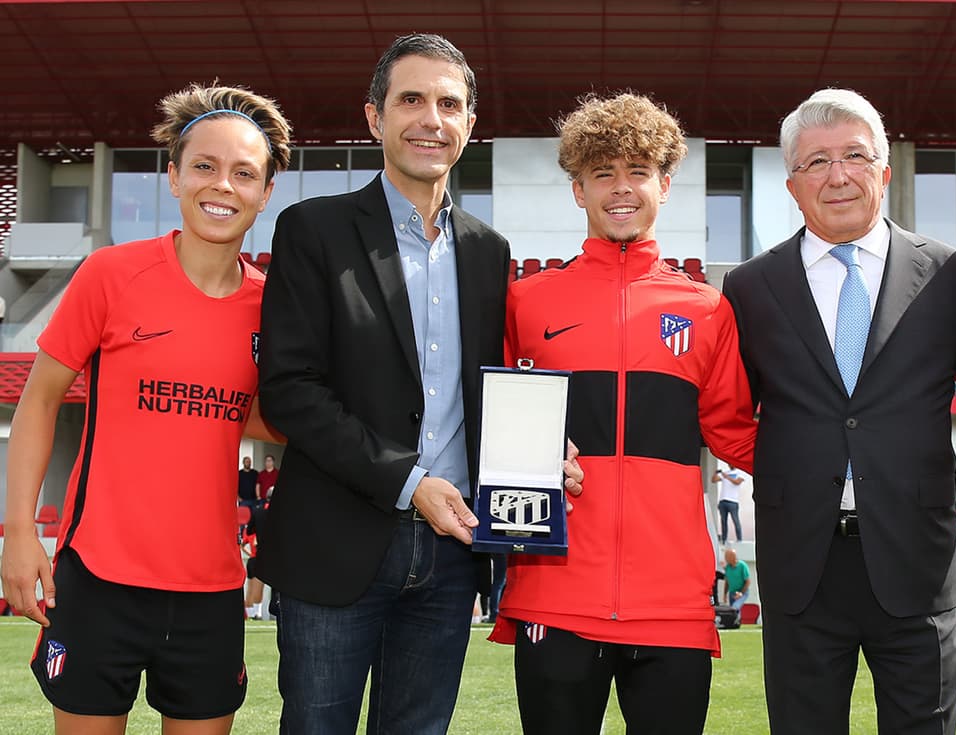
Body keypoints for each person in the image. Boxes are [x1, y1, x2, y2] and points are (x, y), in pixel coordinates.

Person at [255, 33, 581, 734]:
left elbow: (484, 390)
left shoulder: (489, 251)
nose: (431, 119)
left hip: (452, 555)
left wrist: (535, 453)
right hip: (335, 544)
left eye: (448, 104)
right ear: (375, 117)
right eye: (411, 100)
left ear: (470, 124)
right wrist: (409, 482)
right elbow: (290, 389)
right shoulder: (313, 229)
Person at [0, 83, 291, 735]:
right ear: (175, 176)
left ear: (266, 191)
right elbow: (40, 398)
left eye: (244, 172)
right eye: (205, 166)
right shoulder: (111, 274)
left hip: (211, 589)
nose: (223, 185)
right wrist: (19, 530)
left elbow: (263, 417)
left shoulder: (273, 308)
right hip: (98, 578)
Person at [720, 88, 956, 735]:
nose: (838, 175)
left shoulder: (948, 275)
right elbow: (722, 409)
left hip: (917, 567)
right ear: (792, 185)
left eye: (854, 155)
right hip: (803, 570)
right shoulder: (750, 287)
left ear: (884, 171)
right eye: (816, 162)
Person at [489, 92, 757, 735]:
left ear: (664, 184)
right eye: (602, 172)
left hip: (673, 604)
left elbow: (737, 436)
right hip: (554, 595)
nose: (620, 188)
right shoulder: (525, 302)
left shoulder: (706, 309)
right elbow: (486, 428)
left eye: (638, 171)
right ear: (577, 189)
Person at [713, 465, 745, 543]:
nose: (730, 464)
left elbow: (737, 482)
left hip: (733, 501)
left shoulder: (739, 473)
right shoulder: (726, 473)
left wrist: (727, 477)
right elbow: (714, 480)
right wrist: (715, 473)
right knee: (723, 521)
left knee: (735, 520)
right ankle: (724, 539)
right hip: (723, 500)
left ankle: (739, 539)